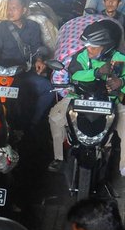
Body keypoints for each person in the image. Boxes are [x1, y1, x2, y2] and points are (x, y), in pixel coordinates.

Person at [48, 19, 125, 174]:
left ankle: (123, 165)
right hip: (79, 97)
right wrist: (96, 73)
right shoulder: (82, 56)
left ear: (107, 46)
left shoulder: (120, 59)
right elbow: (74, 74)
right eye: (87, 44)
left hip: (110, 102)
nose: (88, 48)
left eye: (93, 46)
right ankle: (59, 158)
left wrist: (121, 82)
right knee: (55, 118)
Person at [0, 0, 47, 72]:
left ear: (24, 10)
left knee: (43, 84)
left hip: (27, 71)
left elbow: (37, 47)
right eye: (8, 8)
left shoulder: (33, 26)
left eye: (14, 8)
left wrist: (39, 60)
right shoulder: (0, 30)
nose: (10, 11)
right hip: (5, 73)